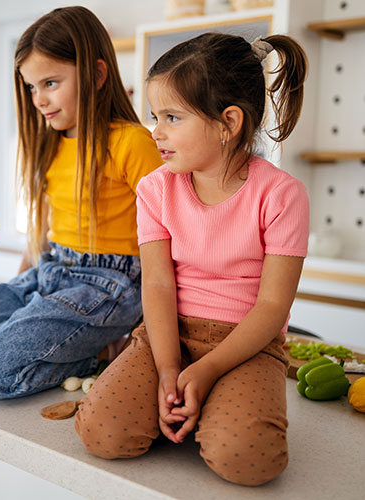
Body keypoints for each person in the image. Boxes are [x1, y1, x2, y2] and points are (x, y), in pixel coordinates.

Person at [75, 32, 309, 486]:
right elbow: (158, 286)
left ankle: (206, 405)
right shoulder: (155, 189)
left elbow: (272, 309)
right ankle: (184, 405)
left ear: (229, 122)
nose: (155, 131)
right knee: (101, 433)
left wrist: (204, 371)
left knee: (249, 461)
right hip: (167, 334)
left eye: (172, 117)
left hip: (247, 345)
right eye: (154, 116)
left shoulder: (282, 195)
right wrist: (168, 370)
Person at [0, 6, 162, 400]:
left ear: (98, 75)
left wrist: (152, 329)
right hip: (51, 272)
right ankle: (72, 343)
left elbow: (171, 237)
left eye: (50, 82)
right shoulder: (51, 144)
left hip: (111, 285)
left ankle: (102, 352)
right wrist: (18, 290)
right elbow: (42, 236)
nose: (38, 99)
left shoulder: (131, 142)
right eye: (32, 87)